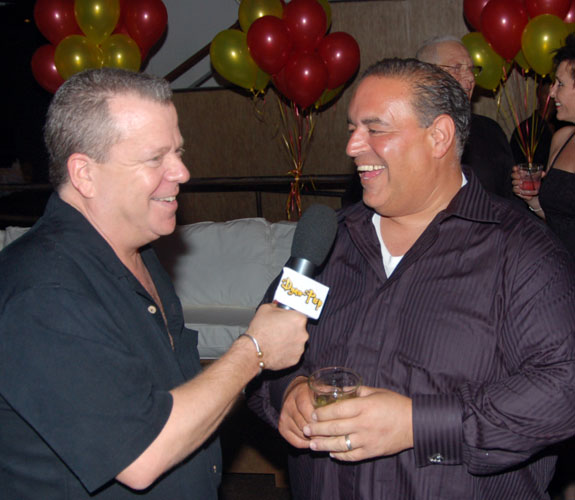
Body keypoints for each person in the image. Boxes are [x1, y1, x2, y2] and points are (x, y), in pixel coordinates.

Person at [247, 58, 575, 499]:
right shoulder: (327, 245)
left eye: (375, 128)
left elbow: (563, 389)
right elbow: (264, 352)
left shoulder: (520, 253)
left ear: (438, 136)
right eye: (352, 128)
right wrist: (287, 394)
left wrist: (418, 425)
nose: (352, 146)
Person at [0, 68, 309, 499]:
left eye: (179, 152)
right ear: (85, 174)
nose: (181, 172)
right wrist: (253, 351)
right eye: (155, 158)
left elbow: (174, 397)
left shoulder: (139, 251)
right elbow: (141, 456)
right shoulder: (43, 292)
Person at [416, 35, 515, 199]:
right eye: (456, 68)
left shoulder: (490, 131)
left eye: (471, 69)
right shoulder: (407, 134)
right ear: (426, 75)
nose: (470, 78)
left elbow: (509, 199)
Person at [512, 33, 575, 259]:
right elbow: (559, 220)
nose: (551, 92)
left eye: (560, 84)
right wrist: (534, 201)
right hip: (559, 271)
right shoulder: (562, 138)